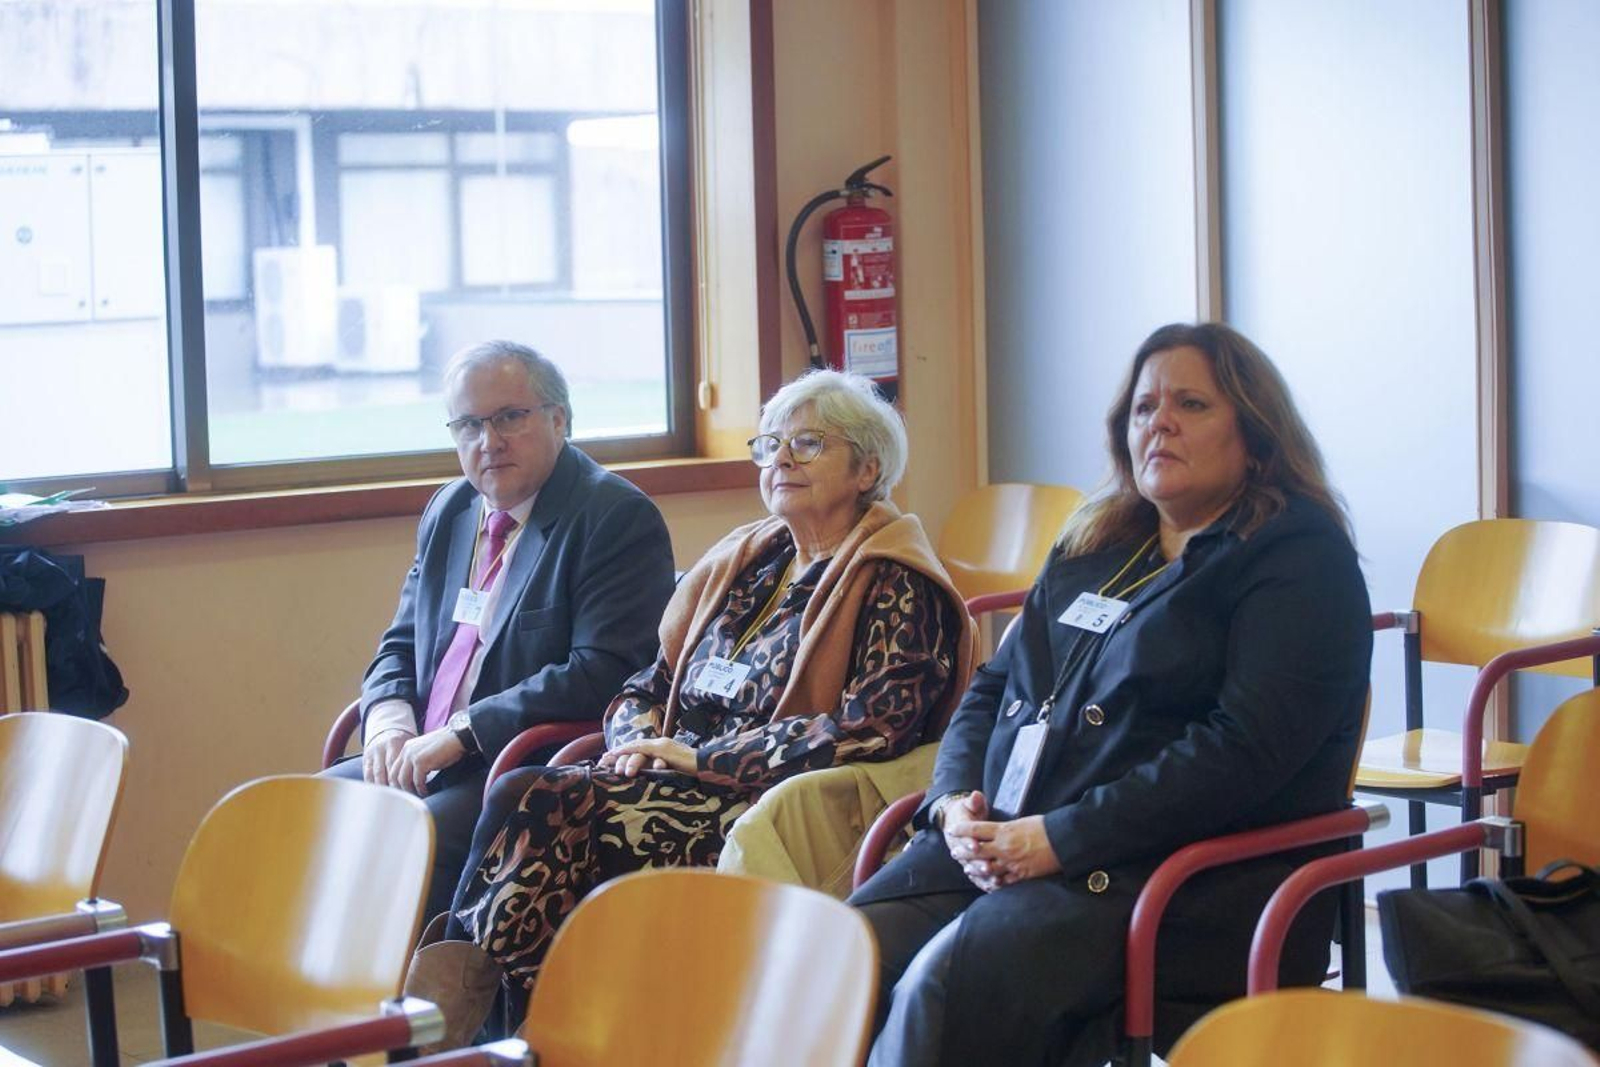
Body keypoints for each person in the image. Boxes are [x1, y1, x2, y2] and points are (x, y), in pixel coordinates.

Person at [850, 322, 1373, 1067]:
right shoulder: (1096, 542)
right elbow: (995, 684)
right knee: (840, 952)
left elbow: (1242, 753)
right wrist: (951, 802)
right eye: (1143, 406)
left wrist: (1061, 838)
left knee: (945, 985)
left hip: (1177, 877)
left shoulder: (1299, 558)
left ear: (1255, 435)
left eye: (1190, 404)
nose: (1158, 421)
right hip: (1007, 846)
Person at [404, 369, 975, 1048]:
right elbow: (648, 680)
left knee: (557, 807)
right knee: (527, 792)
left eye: (808, 443)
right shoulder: (750, 562)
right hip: (671, 774)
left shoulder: (896, 578)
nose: (782, 459)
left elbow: (873, 727)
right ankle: (503, 1031)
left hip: (773, 802)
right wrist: (640, 736)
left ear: (868, 467)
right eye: (770, 444)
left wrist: (700, 757)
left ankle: (487, 1033)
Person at [326, 340, 676, 921]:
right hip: (422, 750)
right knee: (313, 811)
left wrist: (465, 730)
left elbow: (604, 670)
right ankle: (330, 995)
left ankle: (418, 1002)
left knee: (407, 840)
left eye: (510, 417)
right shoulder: (452, 509)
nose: (489, 441)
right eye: (469, 424)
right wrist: (388, 719)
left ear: (559, 419)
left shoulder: (612, 516)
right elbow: (401, 642)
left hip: (516, 763)